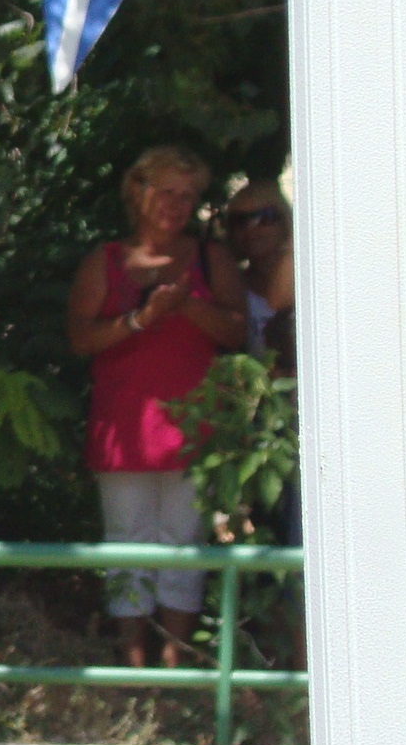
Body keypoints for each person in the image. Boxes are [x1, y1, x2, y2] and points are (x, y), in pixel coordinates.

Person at [64, 146, 248, 667]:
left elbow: (238, 333)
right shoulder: (105, 260)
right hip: (124, 428)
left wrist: (187, 304)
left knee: (184, 547)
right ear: (138, 192)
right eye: (167, 191)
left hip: (193, 428)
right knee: (127, 544)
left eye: (188, 196)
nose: (177, 204)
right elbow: (80, 339)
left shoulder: (212, 258)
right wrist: (142, 319)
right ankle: (133, 661)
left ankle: (174, 663)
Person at [223, 177, 295, 354]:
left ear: (285, 221)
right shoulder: (228, 288)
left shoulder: (314, 276)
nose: (251, 229)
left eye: (264, 218)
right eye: (239, 221)